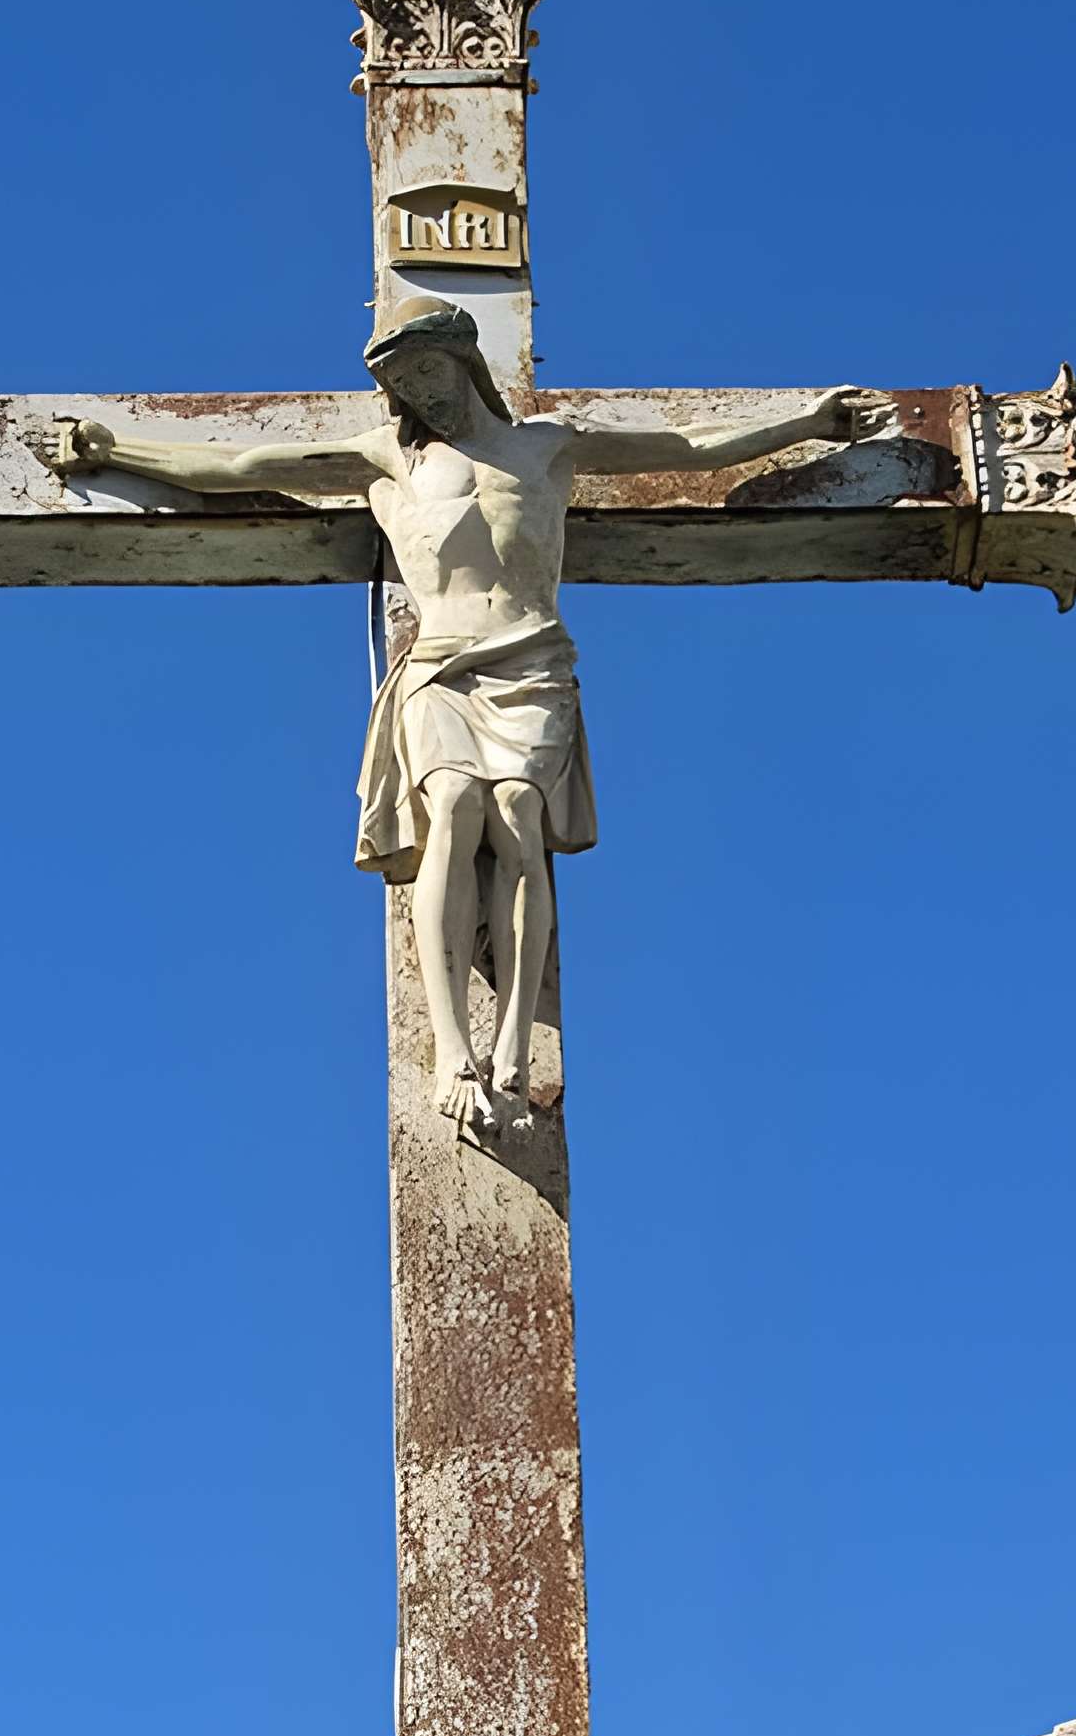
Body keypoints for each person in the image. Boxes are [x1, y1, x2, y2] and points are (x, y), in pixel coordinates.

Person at [55, 299, 887, 1136]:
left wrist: (806, 423)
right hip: (441, 666)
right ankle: (456, 1050)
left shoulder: (549, 446)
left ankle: (514, 1049)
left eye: (427, 372)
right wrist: (119, 450)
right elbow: (240, 465)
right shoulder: (386, 458)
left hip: (532, 661)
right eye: (403, 383)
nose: (420, 393)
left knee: (519, 819)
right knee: (453, 808)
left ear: (464, 362)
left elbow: (690, 451)